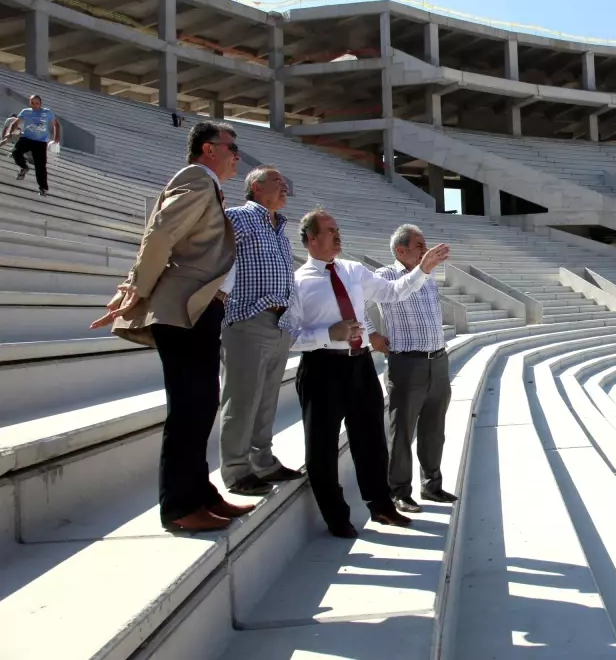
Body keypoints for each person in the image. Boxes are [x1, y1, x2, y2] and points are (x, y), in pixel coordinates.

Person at [90, 121, 251, 533]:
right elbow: (159, 233)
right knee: (190, 407)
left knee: (200, 404)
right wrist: (134, 288)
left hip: (198, 310)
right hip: (183, 311)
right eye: (231, 146)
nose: (237, 154)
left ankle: (199, 494)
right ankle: (180, 505)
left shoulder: (207, 185)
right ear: (208, 149)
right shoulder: (196, 178)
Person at [285, 209, 451, 539]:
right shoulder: (298, 282)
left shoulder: (352, 270)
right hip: (322, 368)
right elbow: (288, 337)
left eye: (337, 227)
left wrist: (422, 269)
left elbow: (393, 292)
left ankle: (382, 506)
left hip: (359, 365)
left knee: (371, 440)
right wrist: (328, 334)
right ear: (311, 239)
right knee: (322, 447)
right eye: (330, 230)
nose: (337, 233)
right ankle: (336, 518)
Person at [217, 166, 304, 496]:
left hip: (279, 323)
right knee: (241, 400)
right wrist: (222, 297)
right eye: (276, 182)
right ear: (254, 186)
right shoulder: (237, 217)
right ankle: (237, 471)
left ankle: (263, 461)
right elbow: (212, 256)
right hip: (248, 320)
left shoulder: (279, 228)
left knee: (266, 400)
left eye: (284, 182)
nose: (284, 186)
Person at [366, 224, 459, 515]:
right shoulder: (385, 276)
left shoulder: (428, 278)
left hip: (438, 361)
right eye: (419, 245)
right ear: (401, 250)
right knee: (403, 430)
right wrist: (371, 334)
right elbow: (357, 304)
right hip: (407, 363)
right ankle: (399, 491)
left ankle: (432, 485)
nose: (425, 249)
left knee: (435, 428)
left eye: (424, 244)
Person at [8, 94, 61, 196]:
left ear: (40, 103)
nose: (34, 105)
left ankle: (43, 188)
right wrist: (10, 132)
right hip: (27, 138)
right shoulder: (25, 111)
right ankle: (24, 167)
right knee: (15, 152)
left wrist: (56, 138)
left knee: (40, 166)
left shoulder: (47, 112)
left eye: (37, 103)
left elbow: (56, 124)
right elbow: (15, 123)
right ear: (30, 103)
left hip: (40, 142)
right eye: (32, 103)